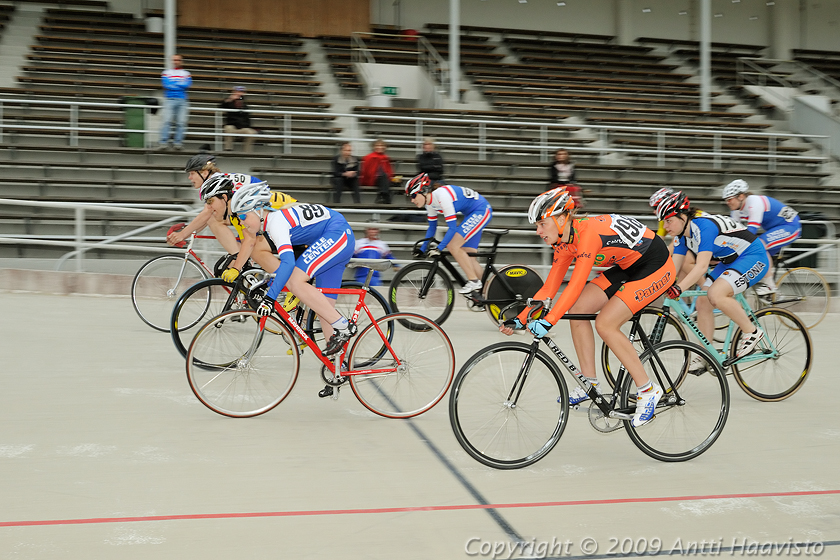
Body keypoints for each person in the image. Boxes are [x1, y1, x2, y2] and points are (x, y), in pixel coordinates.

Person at [499, 187, 675, 427]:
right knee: (578, 310)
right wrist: (521, 317)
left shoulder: (588, 234)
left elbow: (574, 286)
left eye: (542, 224)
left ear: (561, 219)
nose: (538, 231)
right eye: (537, 226)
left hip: (655, 265)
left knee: (606, 324)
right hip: (627, 266)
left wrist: (548, 320)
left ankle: (648, 389)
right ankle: (589, 382)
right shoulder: (563, 242)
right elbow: (550, 287)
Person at [229, 182, 357, 371]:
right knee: (323, 308)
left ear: (257, 210)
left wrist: (271, 298)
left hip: (337, 234)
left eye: (242, 216)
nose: (241, 222)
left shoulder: (276, 223)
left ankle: (345, 327)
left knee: (296, 282)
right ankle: (338, 369)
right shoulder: (272, 224)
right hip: (334, 235)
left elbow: (287, 264)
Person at [656, 190, 768, 368]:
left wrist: (678, 289)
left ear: (683, 217)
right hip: (730, 260)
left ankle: (752, 332)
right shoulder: (680, 237)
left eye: (669, 220)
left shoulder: (704, 228)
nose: (666, 226)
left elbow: (701, 267)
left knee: (716, 295)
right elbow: (673, 269)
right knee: (702, 302)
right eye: (663, 222)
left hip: (753, 255)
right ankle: (706, 354)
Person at [167, 154, 277, 281]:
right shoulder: (215, 180)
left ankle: (240, 260)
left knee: (215, 220)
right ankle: (242, 260)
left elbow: (207, 213)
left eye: (192, 173)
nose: (189, 177)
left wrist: (182, 234)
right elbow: (207, 215)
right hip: (255, 206)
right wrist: (187, 231)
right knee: (215, 218)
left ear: (204, 172)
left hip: (263, 207)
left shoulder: (212, 183)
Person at [405, 173, 492, 295]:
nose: (412, 200)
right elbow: (432, 227)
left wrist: (439, 248)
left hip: (481, 209)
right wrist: (422, 248)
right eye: (410, 197)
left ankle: (474, 281)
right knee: (468, 256)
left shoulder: (442, 196)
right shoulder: (429, 203)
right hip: (471, 213)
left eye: (413, 195)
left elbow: (452, 228)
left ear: (424, 191)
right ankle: (489, 292)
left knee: (453, 246)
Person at [722, 179, 801, 296]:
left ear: (741, 196)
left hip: (790, 226)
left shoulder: (754, 202)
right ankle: (774, 295)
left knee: (760, 246)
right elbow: (732, 231)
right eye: (726, 200)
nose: (727, 203)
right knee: (757, 252)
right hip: (775, 228)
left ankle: (770, 286)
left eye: (730, 199)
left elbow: (751, 232)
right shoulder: (736, 210)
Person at [159, 54, 191, 151]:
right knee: (166, 121)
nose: (176, 61)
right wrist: (179, 84)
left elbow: (187, 84)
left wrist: (173, 84)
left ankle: (178, 143)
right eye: (174, 60)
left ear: (181, 61)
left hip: (182, 100)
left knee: (181, 122)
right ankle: (163, 142)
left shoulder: (186, 73)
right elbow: (166, 85)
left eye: (178, 60)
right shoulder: (166, 72)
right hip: (170, 99)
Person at [220, 86, 257, 153]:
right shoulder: (228, 102)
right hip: (231, 125)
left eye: (241, 92)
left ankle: (247, 152)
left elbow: (247, 118)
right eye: (237, 92)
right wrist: (230, 99)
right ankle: (228, 149)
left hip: (242, 127)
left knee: (251, 132)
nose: (239, 94)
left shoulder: (245, 105)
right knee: (228, 128)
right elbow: (220, 107)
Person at [360, 139, 394, 204]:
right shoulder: (369, 157)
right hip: (372, 179)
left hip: (383, 180)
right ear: (374, 147)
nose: (380, 147)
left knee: (385, 178)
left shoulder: (386, 158)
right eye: (378, 145)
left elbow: (389, 171)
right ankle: (385, 197)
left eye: (382, 146)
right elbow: (366, 171)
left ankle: (382, 196)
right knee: (384, 176)